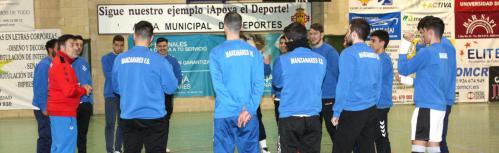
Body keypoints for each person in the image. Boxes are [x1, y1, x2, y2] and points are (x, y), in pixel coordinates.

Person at [112, 20, 178, 153]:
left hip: (129, 117)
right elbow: (171, 88)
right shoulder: (160, 61)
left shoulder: (120, 59)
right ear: (152, 38)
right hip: (155, 118)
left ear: (134, 36)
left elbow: (116, 88)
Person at [209, 12, 264, 153]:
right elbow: (258, 85)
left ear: (224, 26)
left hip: (224, 114)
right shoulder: (254, 52)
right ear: (242, 27)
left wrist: (236, 108)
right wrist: (248, 109)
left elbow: (218, 86)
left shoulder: (216, 53)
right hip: (248, 115)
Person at [272, 22, 326, 153]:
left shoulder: (282, 60)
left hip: (290, 117)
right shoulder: (321, 59)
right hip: (313, 118)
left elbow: (278, 84)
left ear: (290, 39)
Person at [406, 16, 457, 153]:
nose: (421, 36)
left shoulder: (442, 47)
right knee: (434, 141)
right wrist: (420, 46)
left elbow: (439, 72)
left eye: (422, 33)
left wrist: (419, 47)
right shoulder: (442, 46)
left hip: (439, 98)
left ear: (429, 31)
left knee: (437, 142)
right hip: (441, 97)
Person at [332, 18, 382, 153]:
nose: (346, 34)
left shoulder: (348, 53)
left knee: (340, 148)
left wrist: (337, 112)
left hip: (352, 110)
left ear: (353, 34)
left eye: (348, 31)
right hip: (370, 109)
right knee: (367, 147)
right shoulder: (375, 55)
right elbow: (378, 86)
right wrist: (373, 104)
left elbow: (343, 84)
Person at [47, 34, 92, 153]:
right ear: (62, 47)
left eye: (77, 45)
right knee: (65, 148)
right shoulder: (62, 65)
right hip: (64, 113)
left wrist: (79, 87)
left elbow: (68, 87)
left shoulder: (64, 63)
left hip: (61, 112)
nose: (75, 47)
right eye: (72, 45)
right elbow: (69, 90)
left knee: (59, 147)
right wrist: (83, 90)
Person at [309, 23, 340, 146]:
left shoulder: (330, 52)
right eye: (310, 34)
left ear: (322, 34)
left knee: (332, 129)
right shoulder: (309, 52)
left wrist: (339, 97)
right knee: (314, 132)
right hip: (314, 98)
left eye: (315, 33)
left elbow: (339, 74)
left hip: (329, 97)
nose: (313, 36)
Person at [156, 37, 182, 153]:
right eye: (160, 46)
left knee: (165, 122)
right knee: (153, 122)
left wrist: (169, 86)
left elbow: (179, 78)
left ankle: (162, 146)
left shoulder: (173, 61)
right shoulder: (152, 60)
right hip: (154, 97)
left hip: (167, 97)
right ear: (156, 47)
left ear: (167, 46)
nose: (162, 48)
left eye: (164, 46)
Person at [369, 30, 393, 153]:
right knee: (371, 137)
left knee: (381, 137)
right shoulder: (375, 58)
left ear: (382, 43)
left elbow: (374, 80)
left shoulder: (384, 60)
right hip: (373, 105)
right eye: (370, 40)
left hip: (381, 105)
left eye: (373, 41)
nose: (370, 43)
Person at [33, 39, 57, 153]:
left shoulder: (54, 64)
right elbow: (39, 88)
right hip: (43, 109)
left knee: (51, 138)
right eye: (58, 48)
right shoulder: (44, 65)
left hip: (52, 107)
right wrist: (44, 107)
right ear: (50, 50)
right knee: (46, 137)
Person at [101, 35, 125, 153]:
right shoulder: (105, 58)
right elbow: (109, 75)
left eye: (121, 45)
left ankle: (118, 149)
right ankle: (109, 150)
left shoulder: (126, 58)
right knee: (110, 124)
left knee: (122, 123)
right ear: (113, 45)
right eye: (117, 45)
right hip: (110, 95)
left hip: (123, 96)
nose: (119, 48)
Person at [73, 35, 94, 153]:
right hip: (72, 105)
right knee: (71, 135)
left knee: (82, 136)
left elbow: (89, 82)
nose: (79, 47)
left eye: (81, 45)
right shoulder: (66, 62)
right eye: (77, 44)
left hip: (85, 104)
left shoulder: (84, 62)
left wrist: (90, 102)